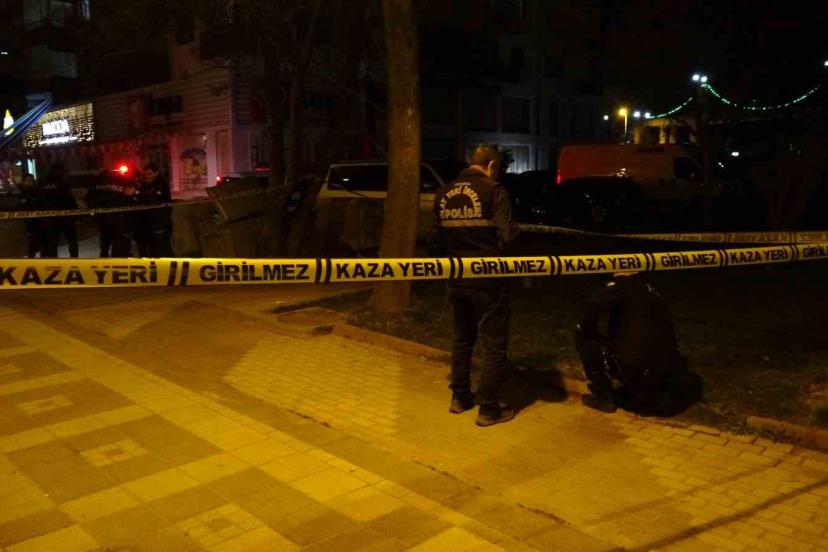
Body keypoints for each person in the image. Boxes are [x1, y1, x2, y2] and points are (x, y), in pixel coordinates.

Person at [433, 144, 519, 427]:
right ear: (492, 165)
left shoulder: (443, 193)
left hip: (456, 277)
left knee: (462, 340)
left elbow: (437, 239)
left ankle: (459, 398)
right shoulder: (494, 190)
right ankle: (488, 408)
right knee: (494, 345)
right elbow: (507, 237)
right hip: (488, 280)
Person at [574, 272, 684, 413]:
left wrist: (588, 324)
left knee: (583, 334)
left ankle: (603, 395)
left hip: (641, 370)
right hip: (665, 369)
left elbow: (591, 302)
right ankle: (646, 391)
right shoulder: (648, 289)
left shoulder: (624, 286)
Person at [86, 170, 136, 257]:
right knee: (117, 245)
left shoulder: (98, 185)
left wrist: (94, 213)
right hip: (119, 220)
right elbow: (130, 201)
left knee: (105, 244)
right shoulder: (124, 184)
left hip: (105, 219)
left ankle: (106, 258)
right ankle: (114, 259)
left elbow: (89, 198)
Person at [133, 163, 172, 256]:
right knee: (146, 248)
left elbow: (154, 200)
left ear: (156, 173)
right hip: (145, 223)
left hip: (159, 223)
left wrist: (136, 194)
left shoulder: (161, 185)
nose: (147, 176)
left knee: (161, 249)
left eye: (149, 174)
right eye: (145, 174)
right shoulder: (143, 185)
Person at [39, 164, 79, 258]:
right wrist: (75, 214)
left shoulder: (43, 184)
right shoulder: (63, 183)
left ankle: (54, 262)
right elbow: (70, 199)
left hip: (50, 218)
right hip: (66, 217)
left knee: (52, 242)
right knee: (72, 241)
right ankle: (75, 260)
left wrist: (42, 217)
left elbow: (40, 200)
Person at [18, 173, 44, 258]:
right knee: (31, 245)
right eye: (28, 180)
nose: (31, 182)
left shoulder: (38, 192)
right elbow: (22, 207)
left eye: (32, 180)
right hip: (29, 223)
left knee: (43, 244)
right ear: (24, 182)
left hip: (40, 221)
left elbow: (42, 205)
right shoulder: (22, 193)